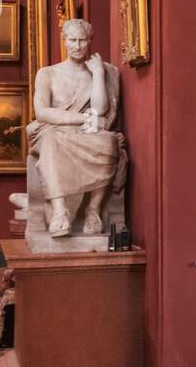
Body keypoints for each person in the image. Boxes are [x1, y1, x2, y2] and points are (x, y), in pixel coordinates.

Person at [26, 18, 126, 237]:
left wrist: (98, 74)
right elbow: (42, 112)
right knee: (51, 139)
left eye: (82, 40)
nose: (77, 46)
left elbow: (100, 109)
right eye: (72, 40)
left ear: (90, 41)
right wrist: (80, 119)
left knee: (108, 140)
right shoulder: (48, 73)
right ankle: (60, 212)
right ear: (64, 40)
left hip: (84, 133)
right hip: (53, 130)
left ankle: (93, 209)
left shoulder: (103, 71)